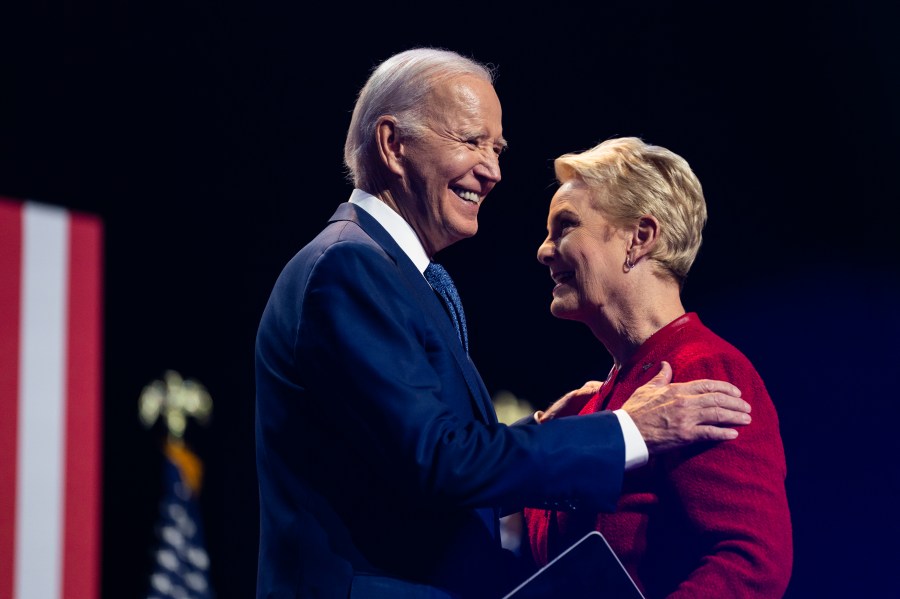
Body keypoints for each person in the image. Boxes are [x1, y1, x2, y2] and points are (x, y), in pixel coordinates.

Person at [254, 48, 752, 599]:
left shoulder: (387, 273)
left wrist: (542, 437)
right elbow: (439, 459)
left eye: (496, 148)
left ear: (642, 237)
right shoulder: (351, 268)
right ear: (394, 145)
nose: (492, 171)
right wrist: (628, 432)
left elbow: (747, 557)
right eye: (471, 141)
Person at [523, 137, 793, 598]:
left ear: (640, 237)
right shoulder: (598, 403)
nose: (544, 251)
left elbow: (752, 562)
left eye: (564, 227)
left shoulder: (706, 370)